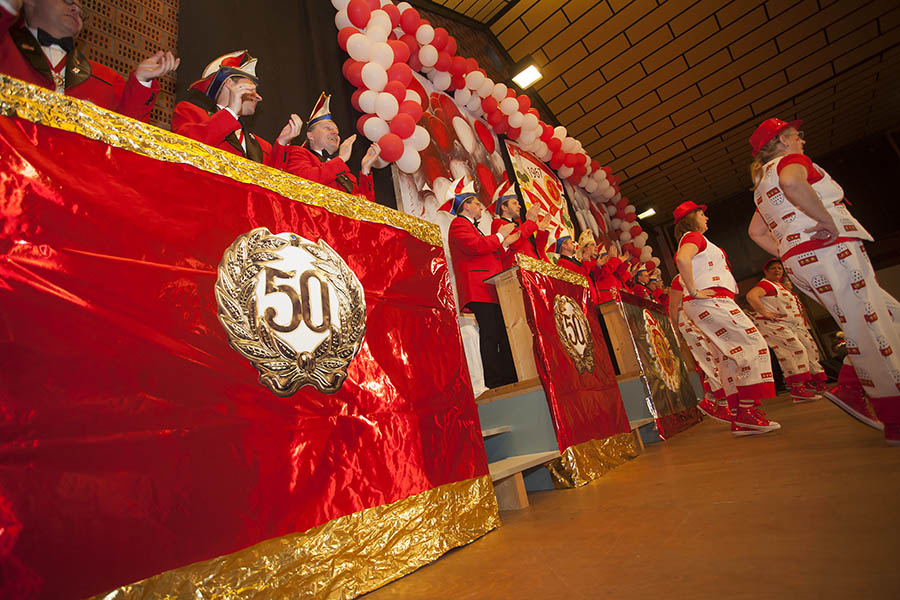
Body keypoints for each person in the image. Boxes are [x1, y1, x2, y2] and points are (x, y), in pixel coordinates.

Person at [748, 117, 898, 444]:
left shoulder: (761, 185)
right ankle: (893, 416)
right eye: (796, 134)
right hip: (831, 249)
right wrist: (825, 220)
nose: (801, 139)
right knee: (872, 328)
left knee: (888, 315)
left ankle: (850, 383)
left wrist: (788, 249)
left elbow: (756, 232)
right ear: (782, 140)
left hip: (805, 258)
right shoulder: (789, 163)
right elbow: (792, 181)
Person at [674, 200, 780, 436]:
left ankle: (740, 412)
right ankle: (745, 411)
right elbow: (682, 259)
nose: (707, 218)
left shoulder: (697, 239)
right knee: (753, 344)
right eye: (702, 214)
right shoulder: (694, 237)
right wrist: (694, 291)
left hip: (708, 301)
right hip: (709, 299)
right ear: (691, 218)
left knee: (730, 356)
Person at [0, 0, 178, 121]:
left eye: (80, 9)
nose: (76, 9)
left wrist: (142, 82)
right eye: (68, 1)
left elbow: (126, 140)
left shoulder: (107, 79)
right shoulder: (5, 48)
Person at [444, 176, 519, 389]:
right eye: (476, 203)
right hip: (480, 288)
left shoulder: (471, 226)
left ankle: (508, 376)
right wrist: (499, 237)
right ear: (465, 205)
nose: (480, 207)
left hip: (489, 287)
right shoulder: (458, 224)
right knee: (491, 334)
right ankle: (496, 380)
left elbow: (484, 251)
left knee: (499, 333)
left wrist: (503, 242)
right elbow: (475, 247)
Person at [172, 50, 301, 167]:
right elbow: (187, 149)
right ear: (228, 83)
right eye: (251, 89)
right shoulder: (190, 113)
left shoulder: (263, 146)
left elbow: (274, 183)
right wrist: (231, 112)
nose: (259, 97)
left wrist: (283, 143)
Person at [745, 258, 826, 402]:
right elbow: (751, 296)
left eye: (779, 268)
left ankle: (804, 385)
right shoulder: (766, 284)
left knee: (802, 350)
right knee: (794, 351)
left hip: (787, 324)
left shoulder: (779, 286)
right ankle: (797, 388)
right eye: (773, 268)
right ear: (766, 271)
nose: (777, 271)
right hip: (773, 324)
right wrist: (765, 313)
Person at [285, 92, 380, 201]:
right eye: (328, 128)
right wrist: (341, 159)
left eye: (337, 132)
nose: (335, 133)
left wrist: (365, 170)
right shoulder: (297, 153)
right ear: (310, 136)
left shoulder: (348, 176)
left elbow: (368, 209)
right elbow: (303, 182)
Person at [669, 273, 730, 423]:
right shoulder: (680, 278)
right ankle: (722, 405)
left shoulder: (706, 272)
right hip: (690, 320)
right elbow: (673, 306)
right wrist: (676, 330)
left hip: (708, 317)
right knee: (709, 360)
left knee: (718, 359)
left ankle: (710, 400)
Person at [489, 178, 550, 267]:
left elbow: (537, 250)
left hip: (532, 270)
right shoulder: (497, 223)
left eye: (518, 203)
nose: (519, 206)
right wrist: (529, 222)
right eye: (514, 203)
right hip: (519, 271)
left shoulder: (521, 226)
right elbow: (514, 243)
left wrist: (541, 230)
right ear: (504, 207)